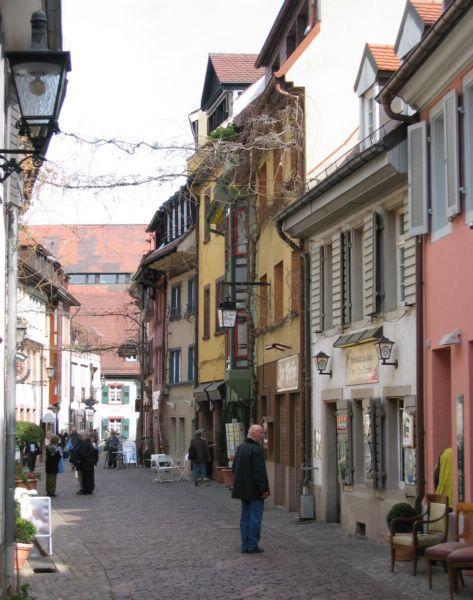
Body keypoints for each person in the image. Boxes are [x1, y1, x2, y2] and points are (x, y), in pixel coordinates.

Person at [232, 424, 270, 554]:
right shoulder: (256, 450)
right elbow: (260, 473)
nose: (262, 435)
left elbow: (234, 468)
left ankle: (244, 545)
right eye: (260, 433)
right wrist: (264, 490)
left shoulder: (241, 447)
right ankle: (252, 545)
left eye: (262, 433)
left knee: (245, 518)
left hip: (243, 490)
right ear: (253, 434)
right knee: (254, 518)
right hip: (255, 491)